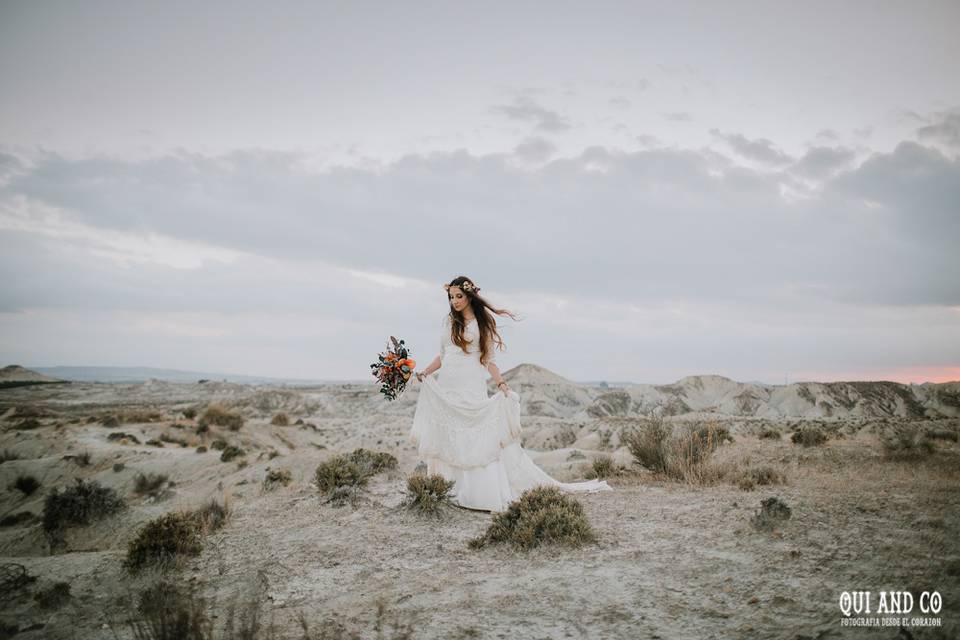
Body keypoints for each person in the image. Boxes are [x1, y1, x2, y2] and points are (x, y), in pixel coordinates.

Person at [408, 275, 613, 512]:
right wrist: (425, 372)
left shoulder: (482, 324)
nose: (454, 301)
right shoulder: (448, 322)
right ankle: (452, 490)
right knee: (451, 432)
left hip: (471, 384)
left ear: (469, 296)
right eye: (451, 297)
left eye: (459, 296)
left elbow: (489, 360)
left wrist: (502, 384)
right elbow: (443, 356)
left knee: (474, 434)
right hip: (449, 384)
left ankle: (476, 494)